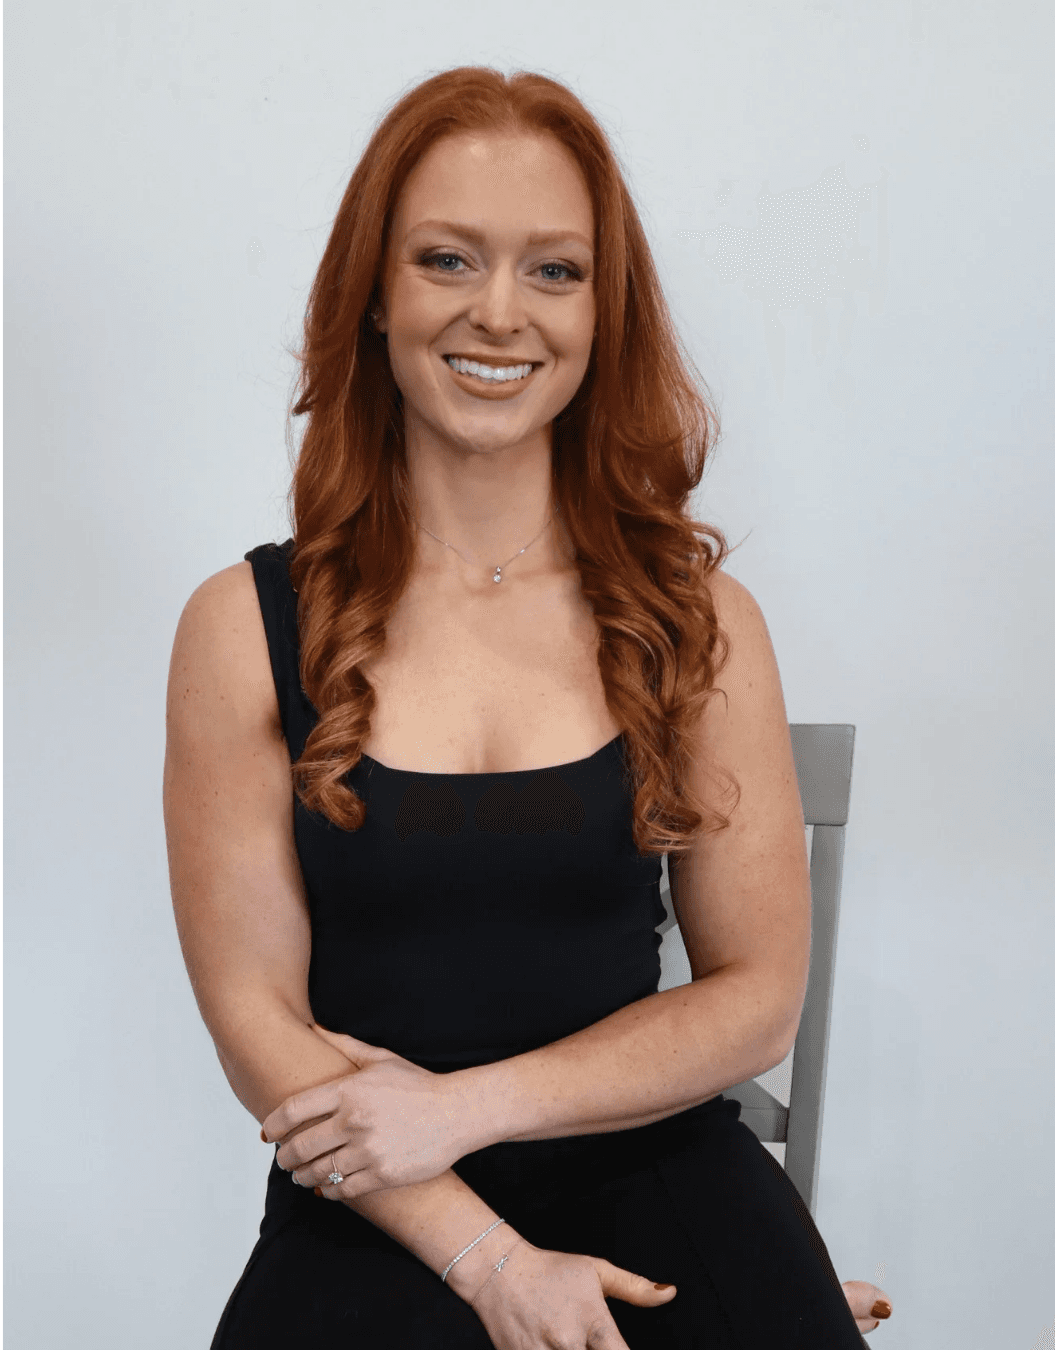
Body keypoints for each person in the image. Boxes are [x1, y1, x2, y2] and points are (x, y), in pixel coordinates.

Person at [163, 65, 894, 1348]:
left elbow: (757, 997)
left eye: (554, 271)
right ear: (375, 298)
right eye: (448, 259)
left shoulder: (698, 619)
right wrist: (492, 1261)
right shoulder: (241, 628)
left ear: (604, 312)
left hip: (661, 1176)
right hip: (377, 1198)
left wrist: (467, 1103)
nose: (501, 314)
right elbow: (257, 1026)